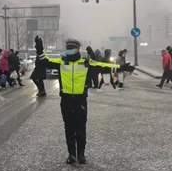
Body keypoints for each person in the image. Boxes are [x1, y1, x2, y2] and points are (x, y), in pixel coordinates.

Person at [34, 36, 135, 164]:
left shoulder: (85, 62)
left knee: (81, 128)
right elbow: (44, 61)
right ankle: (72, 155)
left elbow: (104, 66)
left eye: (72, 48)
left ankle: (81, 154)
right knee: (69, 129)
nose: (69, 50)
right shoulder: (61, 62)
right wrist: (39, 49)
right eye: (68, 48)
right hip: (66, 100)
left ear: (77, 49)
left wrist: (122, 68)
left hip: (80, 100)